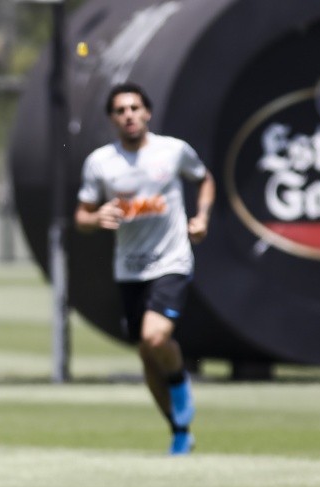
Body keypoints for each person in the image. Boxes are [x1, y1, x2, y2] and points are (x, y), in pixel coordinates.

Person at [74, 83, 215, 456]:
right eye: (120, 110)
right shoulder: (101, 162)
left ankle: (181, 383)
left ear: (147, 113)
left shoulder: (172, 151)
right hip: (130, 270)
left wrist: (201, 218)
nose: (129, 115)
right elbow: (81, 216)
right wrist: (96, 216)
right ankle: (179, 429)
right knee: (146, 354)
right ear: (112, 119)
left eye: (135, 108)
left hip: (172, 261)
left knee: (156, 338)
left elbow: (204, 179)